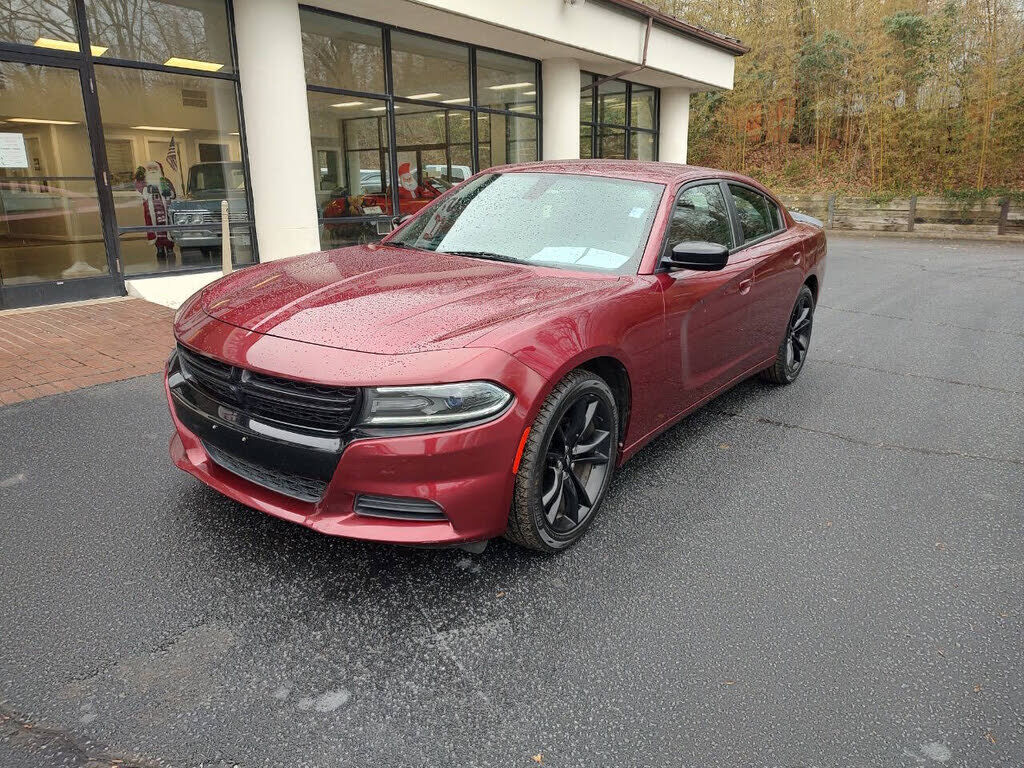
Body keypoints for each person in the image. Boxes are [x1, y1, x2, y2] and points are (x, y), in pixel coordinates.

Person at [134, 161, 176, 266]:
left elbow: (172, 194)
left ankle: (170, 248)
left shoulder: (165, 181)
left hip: (165, 210)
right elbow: (141, 195)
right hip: (152, 212)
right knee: (155, 230)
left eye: (154, 168)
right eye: (150, 169)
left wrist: (168, 192)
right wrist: (145, 189)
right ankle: (159, 248)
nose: (152, 171)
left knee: (167, 229)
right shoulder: (144, 183)